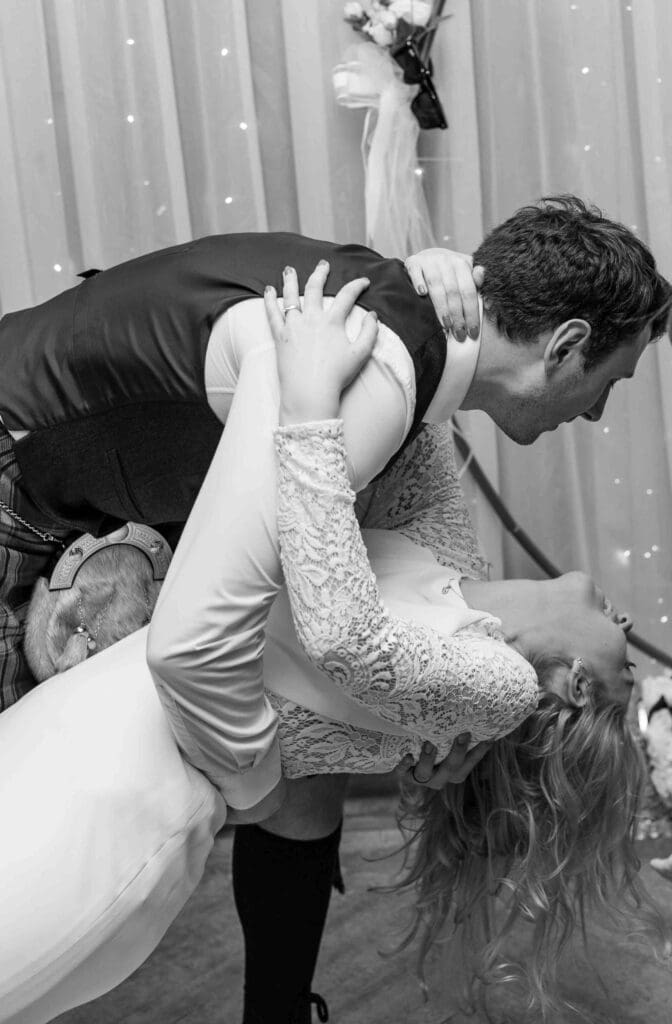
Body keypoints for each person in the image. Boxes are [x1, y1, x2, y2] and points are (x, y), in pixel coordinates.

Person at [0, 198, 669, 1022]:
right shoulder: (371, 369)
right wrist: (255, 788)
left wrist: (450, 717)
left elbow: (418, 573)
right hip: (20, 478)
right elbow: (201, 644)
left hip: (76, 495)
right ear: (565, 346)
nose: (596, 413)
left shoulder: (405, 362)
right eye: (610, 383)